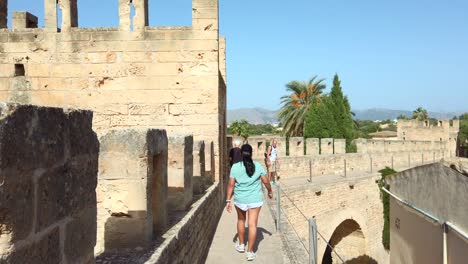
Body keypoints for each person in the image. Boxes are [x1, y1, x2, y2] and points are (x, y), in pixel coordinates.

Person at [226, 144, 273, 261]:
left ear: (241, 154)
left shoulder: (235, 167)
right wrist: (270, 191)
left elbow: (231, 185)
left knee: (241, 220)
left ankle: (241, 245)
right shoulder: (257, 166)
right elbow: (266, 181)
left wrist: (228, 200)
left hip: (240, 199)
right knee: (253, 225)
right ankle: (250, 252)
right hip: (255, 200)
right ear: (251, 154)